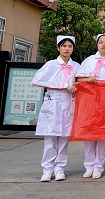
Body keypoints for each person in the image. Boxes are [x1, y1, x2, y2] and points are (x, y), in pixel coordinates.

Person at [76, 32, 105, 179]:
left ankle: (98, 166)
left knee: (103, 134)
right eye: (101, 42)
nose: (103, 44)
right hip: (90, 102)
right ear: (97, 44)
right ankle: (88, 165)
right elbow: (78, 79)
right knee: (89, 134)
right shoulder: (89, 61)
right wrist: (88, 79)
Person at [32, 35, 80, 182]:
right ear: (58, 48)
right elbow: (38, 79)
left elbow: (81, 81)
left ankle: (60, 168)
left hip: (68, 103)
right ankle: (47, 169)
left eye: (70, 46)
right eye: (64, 46)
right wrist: (64, 86)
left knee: (64, 138)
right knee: (50, 138)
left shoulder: (76, 66)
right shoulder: (51, 65)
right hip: (53, 103)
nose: (67, 49)